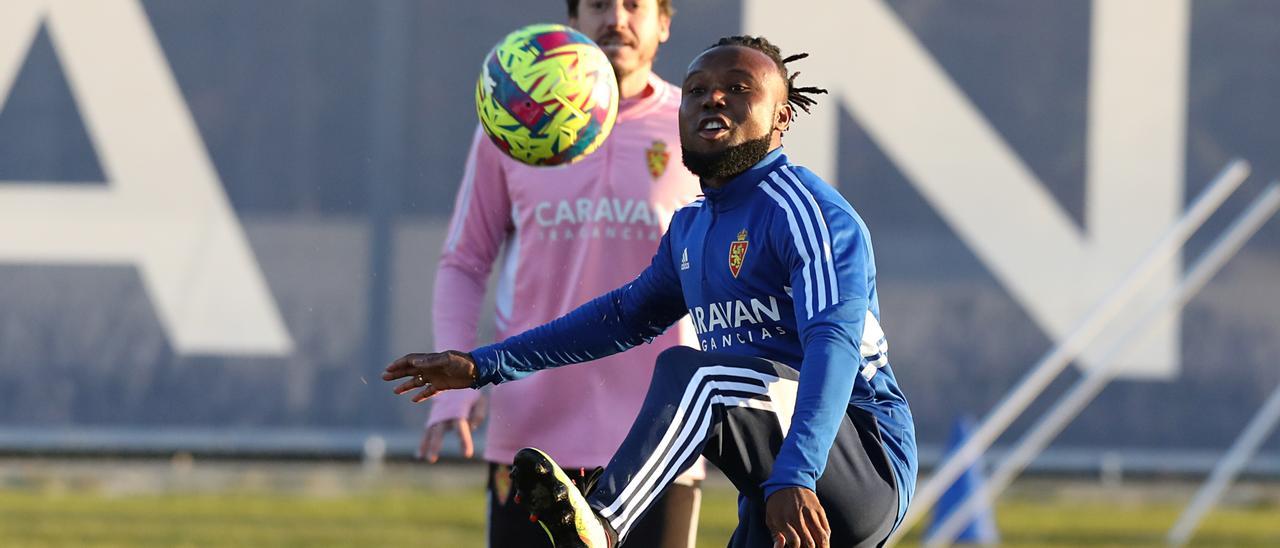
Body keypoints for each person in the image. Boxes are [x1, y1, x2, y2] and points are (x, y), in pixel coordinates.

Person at [390, 35, 917, 548]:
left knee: (691, 372)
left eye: (739, 87)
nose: (713, 96)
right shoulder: (690, 227)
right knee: (700, 374)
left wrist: (799, 473)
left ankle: (603, 522)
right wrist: (482, 365)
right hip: (774, 480)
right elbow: (621, 317)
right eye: (696, 89)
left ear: (782, 115)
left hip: (861, 461)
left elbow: (834, 344)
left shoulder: (807, 212)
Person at [420, 0, 704, 546]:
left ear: (664, 22)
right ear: (572, 20)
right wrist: (457, 387)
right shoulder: (513, 123)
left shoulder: (693, 130)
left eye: (634, 6)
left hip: (659, 443)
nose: (616, 18)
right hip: (529, 441)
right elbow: (464, 260)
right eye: (598, 5)